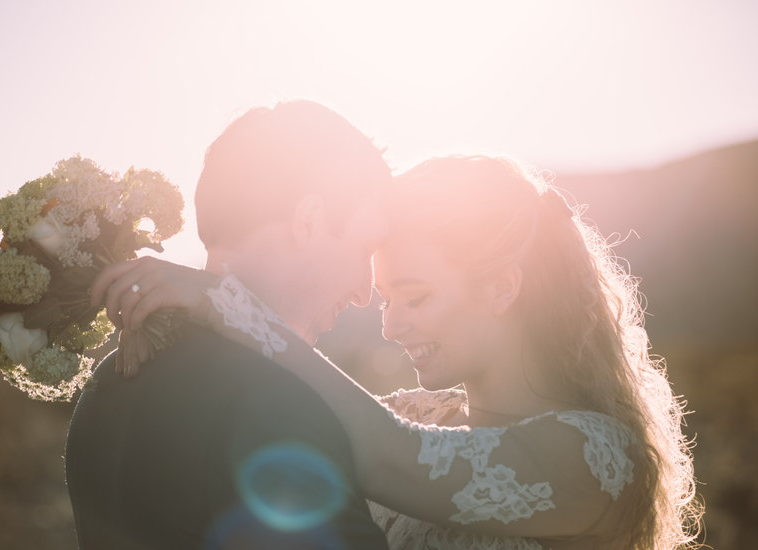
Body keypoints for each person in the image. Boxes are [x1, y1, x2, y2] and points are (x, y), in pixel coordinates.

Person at [102, 155, 702, 549]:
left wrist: (232, 306)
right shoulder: (417, 413)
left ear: (501, 287)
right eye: (385, 300)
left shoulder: (599, 456)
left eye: (414, 298)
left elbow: (395, 457)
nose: (392, 327)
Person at [64, 100, 392, 549]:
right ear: (309, 220)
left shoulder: (112, 377)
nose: (364, 291)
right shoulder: (276, 404)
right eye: (364, 248)